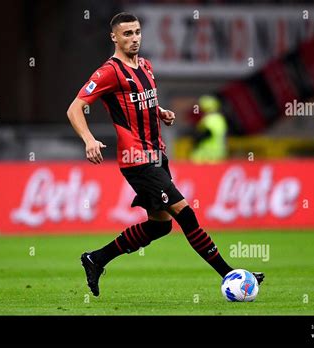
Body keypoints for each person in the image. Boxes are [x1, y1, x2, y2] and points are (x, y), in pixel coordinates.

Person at [67, 12, 264, 296]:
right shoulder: (109, 72)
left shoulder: (146, 65)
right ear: (114, 37)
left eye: (136, 32)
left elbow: (140, 104)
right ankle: (230, 274)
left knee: (160, 226)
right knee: (186, 215)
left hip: (157, 155)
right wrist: (89, 140)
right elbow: (74, 108)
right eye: (127, 34)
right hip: (137, 160)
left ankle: (95, 259)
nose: (134, 38)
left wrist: (160, 113)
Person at [190, 95, 228, 163]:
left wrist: (195, 139)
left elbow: (206, 133)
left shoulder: (210, 118)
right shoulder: (220, 118)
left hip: (207, 154)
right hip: (218, 153)